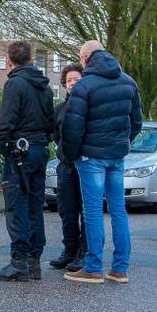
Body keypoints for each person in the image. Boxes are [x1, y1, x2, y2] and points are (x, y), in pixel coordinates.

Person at [61, 40, 142, 284]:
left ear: (86, 57)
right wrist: (121, 143)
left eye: (80, 58)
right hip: (116, 156)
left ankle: (93, 267)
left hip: (90, 157)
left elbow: (72, 127)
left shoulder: (84, 86)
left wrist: (71, 154)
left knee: (93, 211)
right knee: (118, 210)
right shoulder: (129, 82)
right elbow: (136, 122)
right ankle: (120, 268)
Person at [0, 41, 54, 282]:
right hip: (39, 151)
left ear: (9, 62)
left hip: (19, 154)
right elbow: (50, 123)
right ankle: (34, 261)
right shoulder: (45, 88)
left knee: (16, 206)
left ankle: (19, 262)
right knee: (35, 205)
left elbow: (5, 122)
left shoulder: (14, 85)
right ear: (32, 61)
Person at [50, 63, 87, 272]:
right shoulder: (60, 109)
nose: (72, 83)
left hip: (85, 164)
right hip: (65, 166)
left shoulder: (90, 106)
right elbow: (57, 135)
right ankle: (69, 250)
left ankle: (84, 252)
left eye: (77, 79)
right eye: (69, 80)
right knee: (67, 209)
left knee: (86, 210)